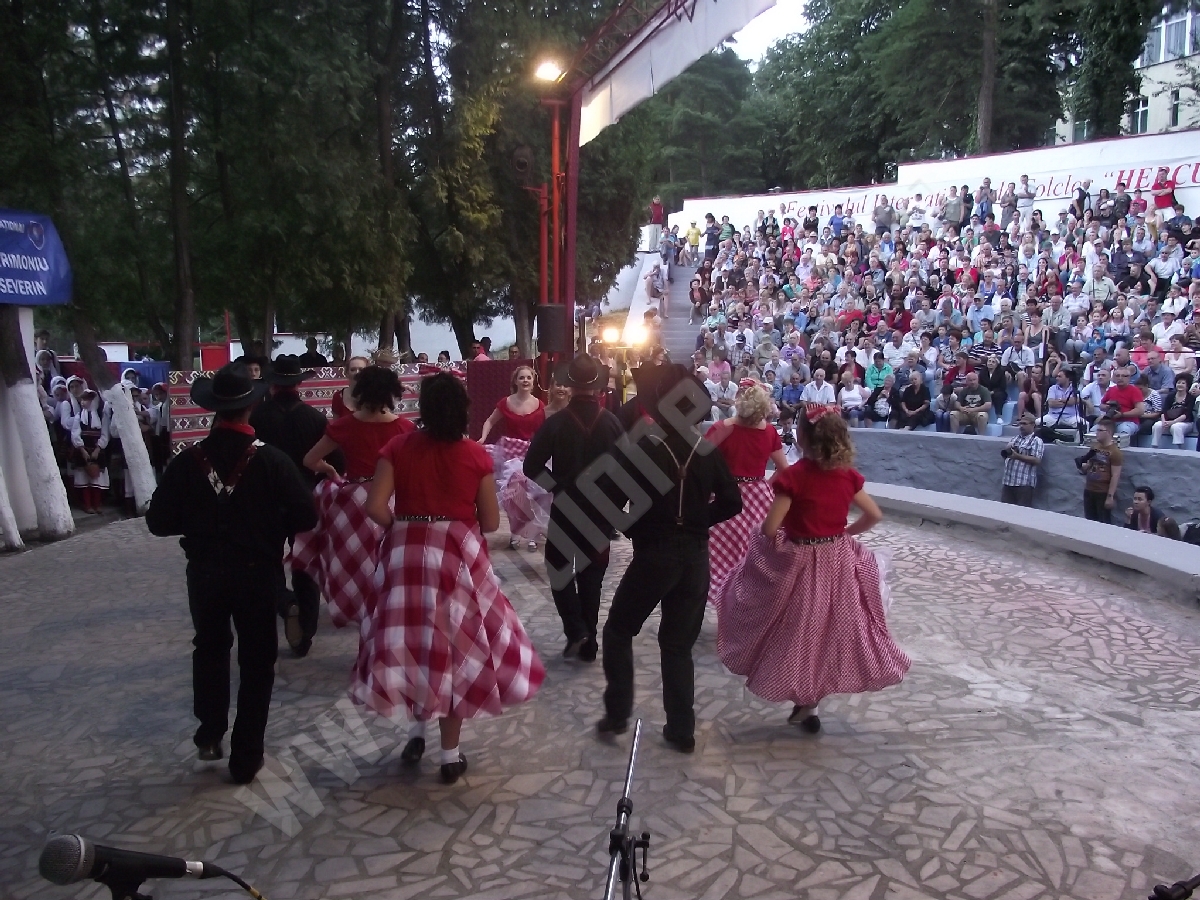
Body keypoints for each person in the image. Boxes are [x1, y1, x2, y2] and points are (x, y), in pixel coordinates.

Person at [354, 372, 545, 784]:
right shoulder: (474, 455)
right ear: (462, 410)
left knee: (415, 643)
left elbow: (374, 507)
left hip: (405, 554)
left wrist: (403, 529)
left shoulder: (397, 448)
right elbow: (490, 522)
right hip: (458, 556)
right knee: (455, 650)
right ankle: (449, 755)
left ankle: (416, 732)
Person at [146, 363, 318, 784]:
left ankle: (209, 732)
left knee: (209, 647)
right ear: (250, 406)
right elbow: (306, 515)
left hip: (205, 571)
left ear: (213, 409)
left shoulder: (188, 462)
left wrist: (197, 520)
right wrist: (269, 524)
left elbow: (158, 521)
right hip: (258, 572)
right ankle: (246, 755)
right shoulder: (272, 461)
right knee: (257, 661)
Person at [717, 403, 910, 733]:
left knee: (798, 632)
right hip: (838, 562)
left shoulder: (795, 477)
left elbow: (770, 527)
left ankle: (805, 700)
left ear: (803, 437)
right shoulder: (847, 476)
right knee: (827, 632)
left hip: (802, 565)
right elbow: (874, 515)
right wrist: (845, 533)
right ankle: (810, 704)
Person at [597, 365, 742, 751]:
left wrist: (634, 527)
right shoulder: (708, 450)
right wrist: (698, 520)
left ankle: (617, 713)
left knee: (618, 630)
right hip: (694, 557)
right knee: (677, 645)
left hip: (654, 555)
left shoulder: (643, 448)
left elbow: (608, 500)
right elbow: (733, 502)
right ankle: (681, 730)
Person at [294, 366, 414, 628]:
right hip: (391, 499)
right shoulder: (404, 428)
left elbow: (310, 460)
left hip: (353, 502)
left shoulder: (344, 425)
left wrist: (330, 470)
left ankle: (359, 610)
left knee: (355, 562)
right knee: (390, 561)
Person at [524, 355, 624, 661]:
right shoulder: (612, 423)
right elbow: (629, 471)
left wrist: (557, 487)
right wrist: (613, 504)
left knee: (559, 569)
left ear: (570, 385)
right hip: (599, 514)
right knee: (592, 577)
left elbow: (531, 466)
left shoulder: (556, 423)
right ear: (597, 387)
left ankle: (577, 630)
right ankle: (589, 640)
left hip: (566, 509)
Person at [250, 354, 339, 656]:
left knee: (267, 562)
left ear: (272, 385)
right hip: (305, 499)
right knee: (305, 565)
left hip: (266, 501)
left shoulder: (257, 418)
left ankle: (284, 602)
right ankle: (305, 632)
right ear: (299, 384)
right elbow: (336, 462)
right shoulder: (315, 419)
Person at [705, 383, 788, 610]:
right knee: (754, 554)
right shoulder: (769, 432)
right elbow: (784, 468)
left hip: (726, 496)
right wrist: (766, 487)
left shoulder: (721, 428)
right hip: (758, 499)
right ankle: (748, 603)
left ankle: (724, 598)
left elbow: (700, 463)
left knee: (720, 555)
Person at [479, 365, 547, 550]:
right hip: (510, 453)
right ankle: (515, 532)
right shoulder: (506, 402)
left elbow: (545, 430)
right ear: (515, 381)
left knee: (537, 493)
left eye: (528, 378)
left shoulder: (540, 405)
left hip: (532, 452)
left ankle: (533, 534)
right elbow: (490, 421)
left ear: (533, 382)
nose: (525, 380)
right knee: (513, 494)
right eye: (521, 377)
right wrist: (483, 438)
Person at [71, 388, 110, 513]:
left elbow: (105, 434)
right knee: (84, 479)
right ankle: (87, 505)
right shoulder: (79, 416)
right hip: (83, 451)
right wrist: (82, 450)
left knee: (96, 478)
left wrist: (98, 449)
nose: (83, 402)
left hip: (97, 451)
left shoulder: (101, 416)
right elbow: (75, 434)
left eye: (87, 399)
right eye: (82, 399)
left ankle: (97, 504)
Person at [1078, 418, 1123, 523]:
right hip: (1089, 489)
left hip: (1102, 491)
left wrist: (1110, 496)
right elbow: (1089, 465)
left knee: (1103, 521)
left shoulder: (1115, 452)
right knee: (1089, 520)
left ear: (1108, 432)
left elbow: (1115, 475)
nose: (1096, 433)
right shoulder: (1095, 447)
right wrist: (1083, 466)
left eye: (1100, 430)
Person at [1000, 413, 1044, 507]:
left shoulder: (1036, 441)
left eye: (1024, 424)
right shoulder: (1015, 438)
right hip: (1008, 481)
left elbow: (1037, 460)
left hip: (1024, 483)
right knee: (1004, 511)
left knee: (1022, 512)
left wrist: (1018, 456)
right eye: (1020, 424)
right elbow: (1008, 456)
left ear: (1033, 425)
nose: (1021, 426)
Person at [1151, 374, 1195, 448]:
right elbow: (1164, 411)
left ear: (1187, 386)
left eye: (1183, 383)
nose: (1180, 385)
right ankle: (1154, 447)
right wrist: (1164, 421)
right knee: (1157, 425)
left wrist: (1173, 422)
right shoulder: (1170, 396)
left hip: (1185, 422)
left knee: (1176, 427)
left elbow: (1186, 414)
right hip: (1168, 420)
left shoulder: (1190, 398)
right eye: (1178, 382)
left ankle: (1178, 449)